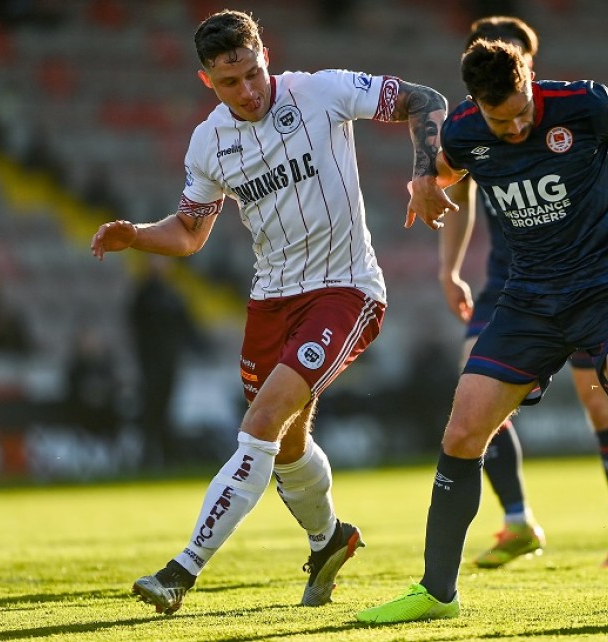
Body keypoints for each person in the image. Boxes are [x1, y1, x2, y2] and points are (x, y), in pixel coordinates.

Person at [358, 39, 608, 624]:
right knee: (463, 430)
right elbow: (444, 167)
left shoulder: (583, 103)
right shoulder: (466, 131)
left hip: (607, 286)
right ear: (478, 104)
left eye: (523, 110)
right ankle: (437, 592)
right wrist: (423, 180)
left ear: (531, 79)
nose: (517, 127)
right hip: (529, 301)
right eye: (502, 120)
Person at [90, 9, 453, 614]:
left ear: (266, 57)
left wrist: (424, 175)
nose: (248, 90)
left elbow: (426, 99)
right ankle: (329, 539)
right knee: (285, 445)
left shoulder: (322, 92)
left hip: (345, 290)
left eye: (253, 73)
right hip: (270, 301)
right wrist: (138, 236)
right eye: (230, 82)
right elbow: (189, 233)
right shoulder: (209, 141)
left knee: (260, 423)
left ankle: (182, 570)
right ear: (207, 81)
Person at [439, 16, 608, 570]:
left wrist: (599, 256)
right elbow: (455, 195)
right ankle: (517, 520)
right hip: (509, 284)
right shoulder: (476, 133)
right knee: (473, 392)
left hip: (583, 282)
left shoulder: (568, 124)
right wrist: (448, 269)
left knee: (599, 401)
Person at [128, 255, 203, 470]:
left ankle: (164, 456)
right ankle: (152, 456)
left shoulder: (171, 294)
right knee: (153, 408)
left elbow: (187, 326)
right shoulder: (145, 294)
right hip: (151, 361)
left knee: (164, 408)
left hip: (168, 360)